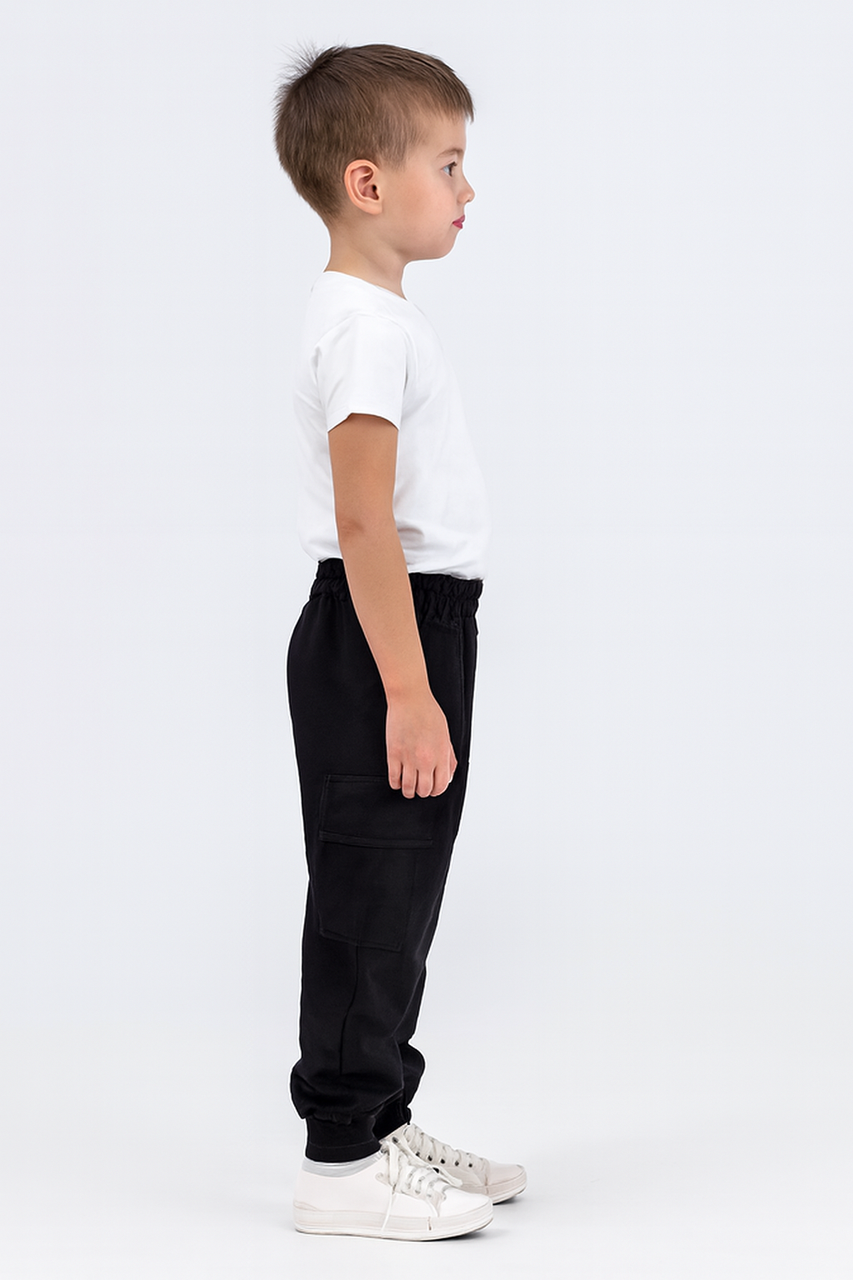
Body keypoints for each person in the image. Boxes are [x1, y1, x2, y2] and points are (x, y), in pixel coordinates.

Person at [273, 43, 525, 1241]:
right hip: (387, 632)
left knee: (401, 890)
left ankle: (380, 1118)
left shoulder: (377, 318)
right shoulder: (364, 330)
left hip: (413, 624)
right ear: (367, 184)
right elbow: (364, 520)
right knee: (369, 894)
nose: (469, 190)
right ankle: (337, 1162)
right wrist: (409, 691)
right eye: (450, 164)